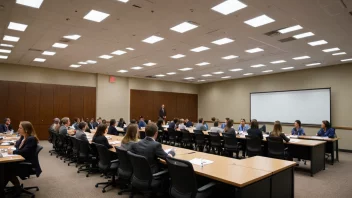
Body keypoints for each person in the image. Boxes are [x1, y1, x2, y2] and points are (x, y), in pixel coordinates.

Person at [4, 121, 42, 195]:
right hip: (22, 160)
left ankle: (13, 188)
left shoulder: (31, 139)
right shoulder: (24, 137)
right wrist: (19, 141)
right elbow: (17, 146)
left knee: (5, 168)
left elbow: (23, 152)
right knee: (5, 167)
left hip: (27, 164)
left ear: (26, 130)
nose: (18, 130)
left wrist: (12, 152)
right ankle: (16, 187)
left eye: (20, 128)